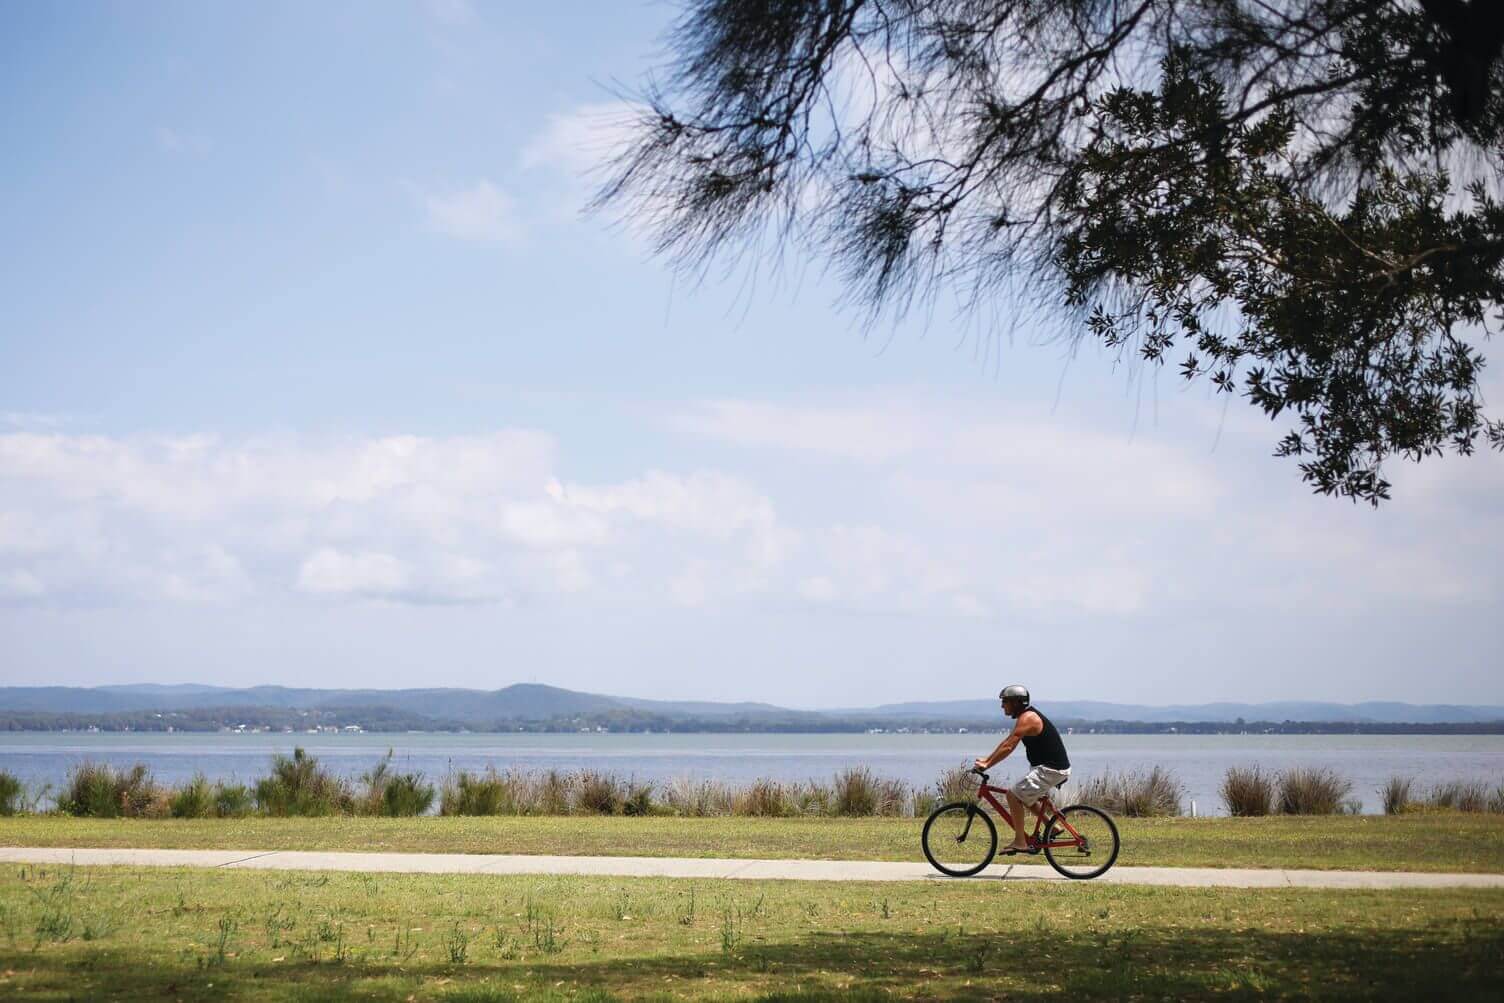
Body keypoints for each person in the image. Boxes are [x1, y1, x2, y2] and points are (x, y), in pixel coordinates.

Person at [973, 684, 1071, 855]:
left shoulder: (1028, 718)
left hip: (1051, 769)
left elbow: (1009, 746)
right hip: (1049, 768)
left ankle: (1020, 842)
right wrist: (987, 760)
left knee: (1013, 795)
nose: (1002, 706)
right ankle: (1052, 827)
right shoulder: (1025, 716)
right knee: (1025, 797)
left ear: (1016, 702)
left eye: (1005, 701)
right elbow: (1007, 742)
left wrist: (987, 765)